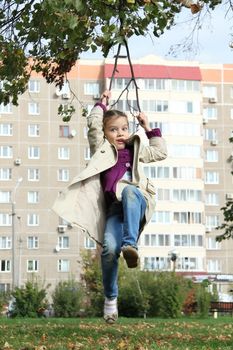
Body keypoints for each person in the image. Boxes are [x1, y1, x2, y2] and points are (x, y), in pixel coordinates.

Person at [53, 90, 167, 324]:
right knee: (108, 250)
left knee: (128, 190)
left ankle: (130, 244)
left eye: (124, 129)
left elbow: (160, 152)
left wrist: (147, 127)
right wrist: (101, 104)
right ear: (106, 134)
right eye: (113, 130)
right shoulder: (102, 151)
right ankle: (110, 300)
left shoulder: (136, 149)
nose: (120, 134)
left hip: (137, 200)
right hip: (116, 211)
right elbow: (93, 125)